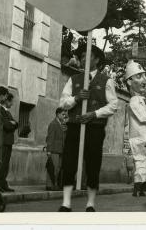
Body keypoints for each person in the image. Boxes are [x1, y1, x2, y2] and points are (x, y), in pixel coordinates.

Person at [58, 44, 118, 212]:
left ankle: (90, 203)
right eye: (82, 56)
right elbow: (62, 103)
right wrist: (76, 98)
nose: (83, 59)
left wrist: (94, 114)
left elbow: (113, 105)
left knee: (93, 164)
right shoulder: (74, 79)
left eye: (88, 56)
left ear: (97, 60)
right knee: (69, 162)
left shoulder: (106, 81)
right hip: (74, 126)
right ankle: (66, 203)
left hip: (95, 129)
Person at [123, 60, 146, 197]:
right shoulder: (133, 101)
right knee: (140, 162)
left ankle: (138, 187)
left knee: (143, 162)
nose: (145, 81)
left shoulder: (142, 100)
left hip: (144, 136)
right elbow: (143, 118)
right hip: (138, 137)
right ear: (129, 82)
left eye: (144, 76)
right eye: (139, 77)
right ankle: (139, 186)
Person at [0, 93, 18, 192]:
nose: (12, 104)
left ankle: (3, 183)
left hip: (9, 142)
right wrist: (12, 123)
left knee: (6, 165)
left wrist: (13, 123)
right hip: (4, 142)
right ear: (7, 101)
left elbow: (16, 124)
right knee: (1, 164)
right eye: (11, 101)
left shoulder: (8, 112)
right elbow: (7, 126)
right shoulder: (1, 110)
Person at [45, 107, 68, 190]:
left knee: (58, 168)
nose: (64, 116)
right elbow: (50, 138)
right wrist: (49, 150)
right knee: (52, 167)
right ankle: (49, 185)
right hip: (54, 149)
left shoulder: (62, 124)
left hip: (60, 150)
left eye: (65, 114)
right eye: (63, 114)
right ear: (58, 114)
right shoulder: (53, 124)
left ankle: (55, 184)